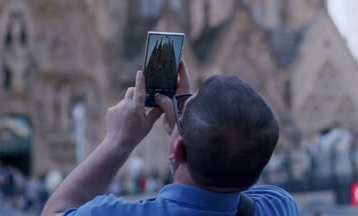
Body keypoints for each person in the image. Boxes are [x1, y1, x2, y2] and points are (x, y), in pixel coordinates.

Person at [42, 61, 299, 216]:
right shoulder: (279, 206)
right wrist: (195, 131)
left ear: (177, 151)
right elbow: (234, 163)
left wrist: (117, 142)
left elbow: (55, 210)